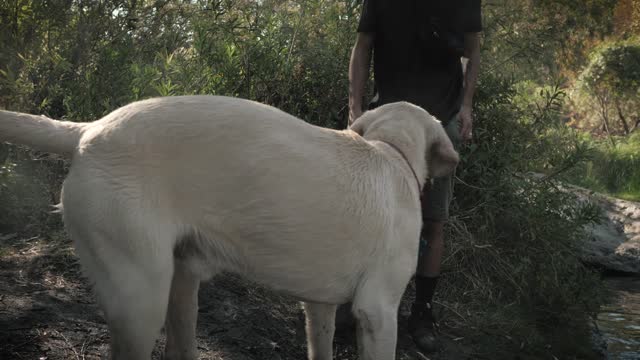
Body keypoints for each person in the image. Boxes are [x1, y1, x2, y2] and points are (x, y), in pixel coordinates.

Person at [346, 0, 482, 354]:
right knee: (370, 212)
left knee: (432, 221)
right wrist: (355, 107)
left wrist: (467, 105)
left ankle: (421, 313)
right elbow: (363, 47)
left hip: (441, 120)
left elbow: (472, 51)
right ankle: (356, 299)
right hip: (387, 117)